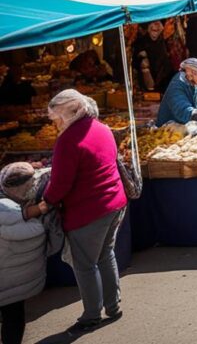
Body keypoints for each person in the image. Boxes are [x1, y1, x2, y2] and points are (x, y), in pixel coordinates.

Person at [22, 90, 127, 334]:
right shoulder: (101, 128)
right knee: (105, 254)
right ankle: (113, 306)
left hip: (89, 210)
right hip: (114, 202)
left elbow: (59, 185)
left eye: (57, 118)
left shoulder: (68, 141)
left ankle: (92, 315)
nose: (55, 123)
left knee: (85, 264)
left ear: (70, 113)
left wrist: (44, 203)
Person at [1, 163, 56, 344]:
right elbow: (38, 234)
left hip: (7, 280)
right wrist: (38, 210)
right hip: (12, 286)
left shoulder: (14, 212)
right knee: (14, 318)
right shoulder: (28, 219)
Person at [132, 20, 172, 92]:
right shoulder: (140, 42)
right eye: (152, 22)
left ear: (162, 27)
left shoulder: (165, 42)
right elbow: (136, 64)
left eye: (159, 22)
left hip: (163, 86)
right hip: (145, 88)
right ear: (147, 27)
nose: (156, 25)